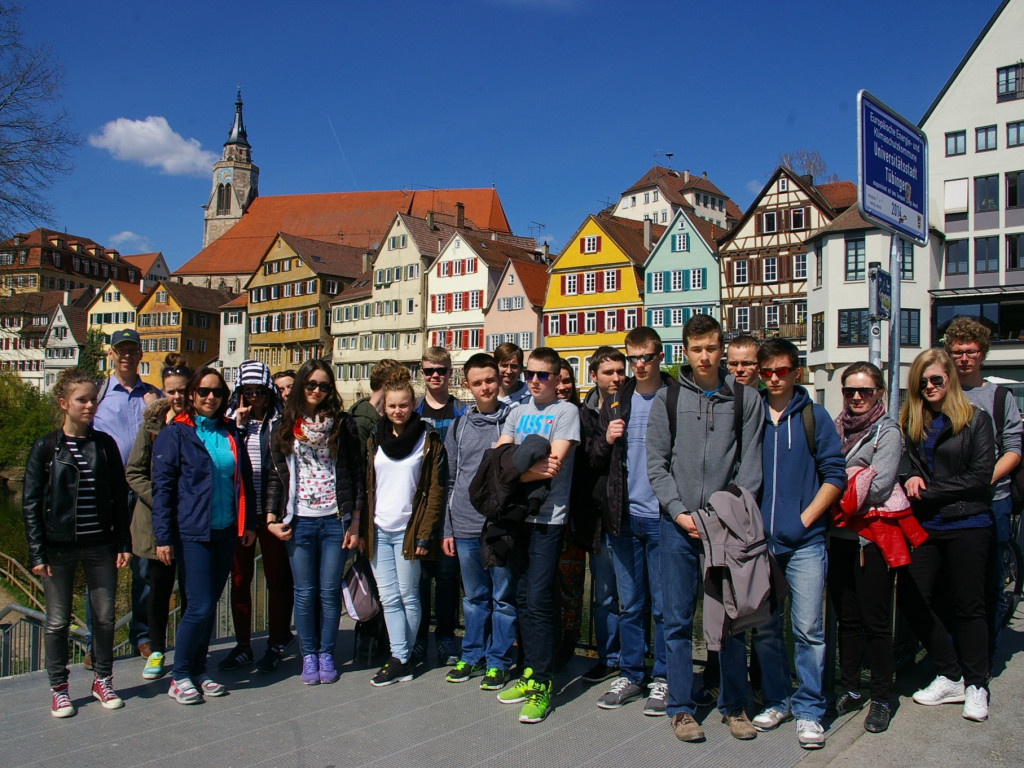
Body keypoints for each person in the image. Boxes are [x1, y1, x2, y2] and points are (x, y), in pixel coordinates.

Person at [646, 315, 764, 743]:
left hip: (724, 528)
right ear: (686, 350)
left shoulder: (746, 400)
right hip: (677, 527)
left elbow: (749, 469)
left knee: (729, 620)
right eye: (697, 349)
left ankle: (733, 705)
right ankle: (680, 708)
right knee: (677, 620)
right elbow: (656, 465)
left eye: (712, 348)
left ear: (721, 348)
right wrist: (679, 513)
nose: (705, 357)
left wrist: (715, 516)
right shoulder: (668, 399)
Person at [750, 338, 846, 750]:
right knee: (766, 630)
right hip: (759, 543)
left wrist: (804, 518)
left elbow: (835, 476)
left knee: (808, 629)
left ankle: (810, 709)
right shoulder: (750, 413)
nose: (774, 378)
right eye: (766, 371)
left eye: (782, 371)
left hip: (804, 542)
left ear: (796, 372)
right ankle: (778, 699)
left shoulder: (814, 416)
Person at [23, 369, 132, 717]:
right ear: (63, 403)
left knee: (103, 618)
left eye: (92, 399)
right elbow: (32, 503)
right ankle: (59, 689)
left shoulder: (104, 445)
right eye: (81, 400)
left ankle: (103, 679)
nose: (89, 405)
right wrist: (37, 551)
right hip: (58, 547)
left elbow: (118, 496)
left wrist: (122, 543)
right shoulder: (45, 447)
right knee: (56, 621)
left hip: (100, 544)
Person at [898, 347, 996, 722]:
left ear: (950, 380)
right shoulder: (913, 420)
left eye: (936, 380)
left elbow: (980, 475)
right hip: (926, 526)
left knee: (969, 605)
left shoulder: (976, 420)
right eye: (922, 384)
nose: (929, 387)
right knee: (912, 596)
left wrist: (927, 490)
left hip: (967, 522)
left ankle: (976, 684)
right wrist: (910, 477)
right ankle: (950, 671)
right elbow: (905, 465)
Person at [152, 367, 256, 704]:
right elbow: (163, 490)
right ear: (192, 395)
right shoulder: (176, 434)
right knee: (197, 605)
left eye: (217, 393)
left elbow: (245, 480)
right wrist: (163, 537)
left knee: (210, 603)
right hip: (192, 532)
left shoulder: (230, 432)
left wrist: (248, 524)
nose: (210, 397)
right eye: (203, 392)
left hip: (225, 531)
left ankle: (198, 670)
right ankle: (179, 674)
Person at [589, 327, 674, 716]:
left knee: (664, 606)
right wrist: (606, 438)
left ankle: (665, 678)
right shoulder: (616, 398)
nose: (639, 365)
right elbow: (594, 457)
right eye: (633, 358)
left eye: (647, 357)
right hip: (623, 516)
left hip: (662, 517)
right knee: (631, 603)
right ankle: (632, 672)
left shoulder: (675, 395)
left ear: (660, 356)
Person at [265, 360, 365, 685]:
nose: (317, 391)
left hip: (335, 519)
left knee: (328, 592)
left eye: (323, 385)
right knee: (304, 593)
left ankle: (326, 653)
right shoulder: (284, 426)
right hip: (300, 520)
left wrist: (355, 522)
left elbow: (357, 475)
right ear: (300, 388)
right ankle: (308, 655)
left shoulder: (341, 424)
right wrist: (270, 516)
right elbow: (275, 477)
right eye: (310, 385)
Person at [495, 347, 580, 724]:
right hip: (517, 518)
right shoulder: (516, 412)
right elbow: (496, 462)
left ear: (556, 377)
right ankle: (529, 672)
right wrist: (513, 467)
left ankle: (543, 684)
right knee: (523, 597)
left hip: (548, 519)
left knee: (540, 599)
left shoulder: (566, 413)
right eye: (530, 373)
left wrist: (512, 468)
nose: (533, 380)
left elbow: (553, 467)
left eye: (542, 375)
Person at [827, 362, 906, 733]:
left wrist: (836, 488)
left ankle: (882, 697)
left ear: (879, 393)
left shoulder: (886, 431)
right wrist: (854, 476)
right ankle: (852, 689)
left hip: (870, 540)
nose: (857, 397)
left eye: (865, 391)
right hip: (838, 539)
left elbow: (880, 485)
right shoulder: (835, 427)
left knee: (876, 622)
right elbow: (826, 473)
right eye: (850, 391)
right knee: (848, 621)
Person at [943, 317, 1022, 658]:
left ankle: (985, 654)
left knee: (990, 580)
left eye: (970, 351)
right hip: (948, 503)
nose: (964, 358)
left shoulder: (999, 396)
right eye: (957, 352)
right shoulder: (940, 392)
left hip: (992, 501)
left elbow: (1014, 449)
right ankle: (953, 657)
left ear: (982, 354)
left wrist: (980, 480)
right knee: (950, 582)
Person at [362, 373, 447, 686]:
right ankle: (405, 657)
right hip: (378, 528)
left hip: (408, 529)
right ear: (384, 407)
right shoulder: (375, 439)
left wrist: (426, 534)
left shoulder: (429, 440)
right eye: (392, 405)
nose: (397, 410)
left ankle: (399, 658)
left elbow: (436, 491)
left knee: (409, 595)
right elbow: (367, 485)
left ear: (414, 405)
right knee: (388, 597)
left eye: (404, 405)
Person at [442, 354, 516, 690]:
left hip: (499, 524)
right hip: (465, 523)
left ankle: (498, 660)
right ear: (467, 386)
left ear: (498, 381)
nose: (485, 387)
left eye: (490, 380)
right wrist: (447, 528)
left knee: (502, 597)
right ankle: (471, 655)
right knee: (474, 597)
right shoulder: (459, 426)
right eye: (477, 383)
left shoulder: (513, 420)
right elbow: (450, 478)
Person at [218, 360, 295, 674]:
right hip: (240, 512)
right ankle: (243, 645)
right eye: (247, 392)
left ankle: (276, 642)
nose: (254, 399)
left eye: (259, 392)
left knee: (278, 579)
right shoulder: (230, 422)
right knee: (240, 580)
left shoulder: (281, 421)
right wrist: (236, 424)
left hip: (272, 510)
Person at [698, 333, 763, 707]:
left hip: (754, 522)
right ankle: (716, 680)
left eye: (747, 363)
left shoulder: (763, 404)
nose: (739, 370)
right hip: (724, 522)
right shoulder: (722, 399)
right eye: (734, 363)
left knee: (755, 616)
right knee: (720, 607)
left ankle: (756, 687)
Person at [91, 328, 161, 663]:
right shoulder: (100, 393)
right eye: (121, 351)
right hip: (110, 491)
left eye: (132, 351)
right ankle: (98, 643)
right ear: (112, 355)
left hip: (144, 491)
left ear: (140, 355)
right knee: (104, 568)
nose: (127, 356)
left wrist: (156, 410)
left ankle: (142, 636)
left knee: (145, 569)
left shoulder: (153, 395)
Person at [125, 353, 193, 681]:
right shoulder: (151, 426)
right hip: (157, 524)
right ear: (163, 391)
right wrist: (161, 500)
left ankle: (190, 649)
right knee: (158, 589)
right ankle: (155, 649)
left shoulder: (198, 424)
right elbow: (135, 472)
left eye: (182, 390)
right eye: (171, 391)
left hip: (192, 521)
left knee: (192, 589)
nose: (177, 397)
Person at [413, 346, 466, 666]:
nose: (435, 376)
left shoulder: (462, 411)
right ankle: (419, 638)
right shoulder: (412, 410)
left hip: (450, 506)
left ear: (450, 373)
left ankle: (446, 637)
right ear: (422, 373)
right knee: (418, 580)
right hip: (417, 507)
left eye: (441, 371)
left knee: (447, 578)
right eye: (429, 371)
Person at [577, 347, 627, 681]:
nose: (617, 378)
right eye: (608, 372)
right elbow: (588, 462)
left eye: (620, 371)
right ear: (593, 376)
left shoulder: (636, 402)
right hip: (601, 515)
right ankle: (610, 657)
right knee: (606, 594)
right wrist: (606, 440)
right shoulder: (585, 414)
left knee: (637, 596)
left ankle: (635, 663)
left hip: (633, 511)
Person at [349, 359, 405, 458]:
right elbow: (358, 464)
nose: (403, 391)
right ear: (388, 384)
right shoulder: (360, 421)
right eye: (400, 386)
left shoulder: (391, 415)